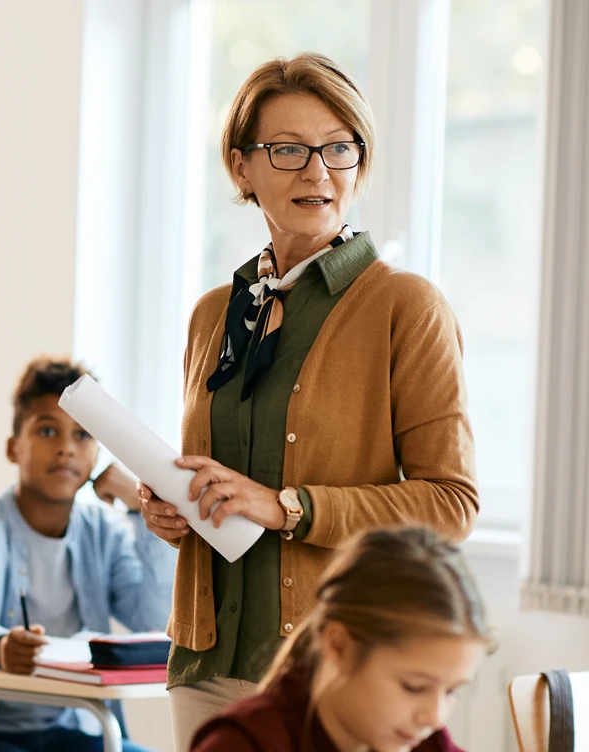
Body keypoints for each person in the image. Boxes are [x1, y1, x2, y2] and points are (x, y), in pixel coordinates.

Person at [138, 52, 479, 749]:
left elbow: (451, 504)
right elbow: (224, 484)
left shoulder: (405, 307)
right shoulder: (214, 313)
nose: (317, 172)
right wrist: (177, 505)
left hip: (330, 668)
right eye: (288, 149)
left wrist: (289, 506)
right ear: (242, 167)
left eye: (339, 148)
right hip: (204, 659)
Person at [0, 357, 177, 752]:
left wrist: (139, 508)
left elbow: (155, 617)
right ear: (12, 448)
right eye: (46, 430)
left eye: (83, 435)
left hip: (80, 724)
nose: (65, 449)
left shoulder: (103, 531)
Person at [190, 527, 495, 752]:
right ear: (339, 647)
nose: (435, 716)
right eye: (414, 686)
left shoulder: (426, 743)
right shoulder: (241, 744)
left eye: (452, 691)